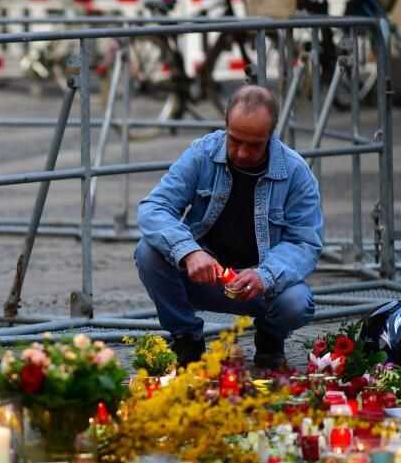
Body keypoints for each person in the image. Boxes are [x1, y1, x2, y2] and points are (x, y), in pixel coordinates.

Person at [135, 85, 322, 368]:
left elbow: (306, 243)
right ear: (225, 121)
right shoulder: (202, 153)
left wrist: (264, 276)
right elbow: (153, 208)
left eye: (254, 144)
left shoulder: (296, 173)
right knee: (148, 252)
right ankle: (187, 340)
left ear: (272, 133)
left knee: (296, 302)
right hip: (203, 279)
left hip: (261, 289)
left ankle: (270, 341)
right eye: (235, 140)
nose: (243, 152)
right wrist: (188, 252)